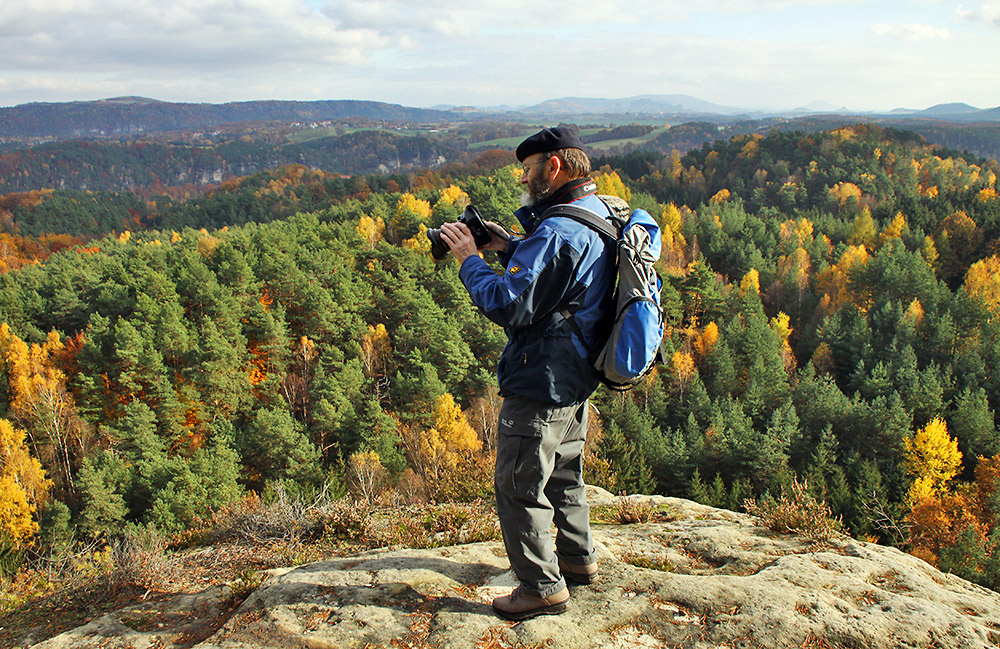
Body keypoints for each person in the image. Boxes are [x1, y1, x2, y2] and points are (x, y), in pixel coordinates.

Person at [438, 126, 617, 621]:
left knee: (518, 484)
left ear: (553, 166)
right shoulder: (599, 212)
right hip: (579, 374)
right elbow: (565, 274)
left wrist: (470, 260)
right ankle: (577, 561)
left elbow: (508, 304)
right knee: (564, 473)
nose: (524, 175)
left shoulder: (558, 230)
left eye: (529, 166)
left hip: (541, 379)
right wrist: (512, 245)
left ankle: (540, 586)